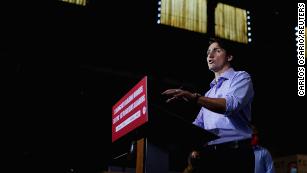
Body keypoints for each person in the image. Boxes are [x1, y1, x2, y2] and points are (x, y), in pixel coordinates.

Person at [162, 38, 255, 173]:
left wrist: (194, 97)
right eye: (208, 52)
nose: (210, 56)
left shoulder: (241, 77)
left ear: (229, 56)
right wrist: (167, 124)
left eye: (217, 51)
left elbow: (229, 105)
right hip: (209, 156)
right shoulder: (209, 93)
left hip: (235, 154)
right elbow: (199, 125)